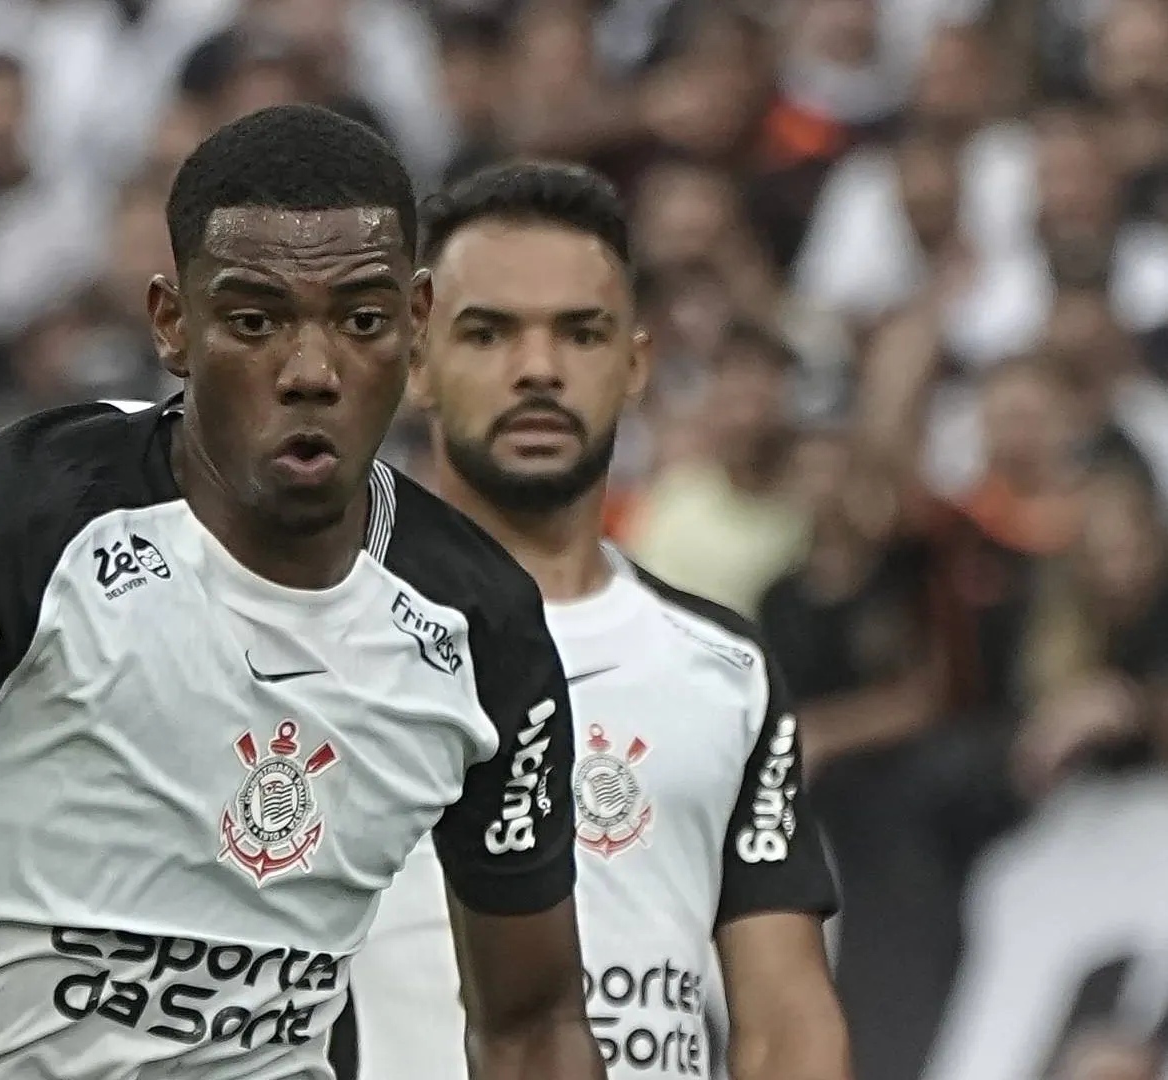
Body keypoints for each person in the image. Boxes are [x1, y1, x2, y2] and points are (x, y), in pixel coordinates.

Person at [0, 105, 607, 1080]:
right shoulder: (30, 519)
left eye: (362, 321)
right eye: (254, 321)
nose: (311, 370)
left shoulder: (478, 623)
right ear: (173, 324)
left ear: (418, 325)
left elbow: (534, 1025)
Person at [342, 160, 852, 1080]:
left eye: (580, 333)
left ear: (636, 365)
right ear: (416, 364)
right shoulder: (322, 640)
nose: (538, 369)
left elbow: (786, 1020)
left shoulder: (723, 670)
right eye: (489, 333)